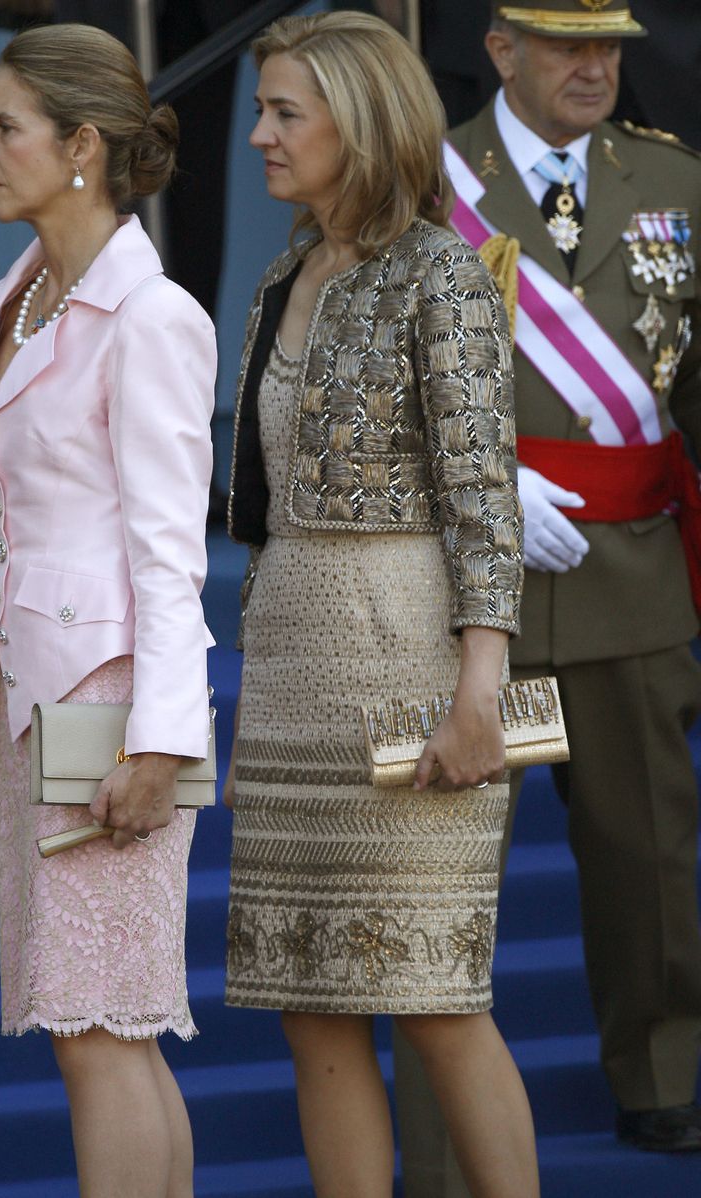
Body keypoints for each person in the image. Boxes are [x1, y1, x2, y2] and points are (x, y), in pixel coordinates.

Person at [223, 12, 537, 1197]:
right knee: (310, 1008)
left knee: (436, 997)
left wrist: (479, 698)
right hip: (293, 674)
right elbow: (264, 511)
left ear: (358, 125)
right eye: (260, 109)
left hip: (408, 669)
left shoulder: (440, 272)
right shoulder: (279, 275)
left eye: (284, 113)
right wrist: (251, 696)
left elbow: (484, 499)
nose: (258, 135)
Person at [0, 23, 216, 1197]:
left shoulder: (151, 319)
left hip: (108, 713)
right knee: (102, 1028)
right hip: (21, 711)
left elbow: (168, 556)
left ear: (82, 145)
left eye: (5, 127)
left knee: (100, 1025)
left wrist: (161, 743)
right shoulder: (9, 305)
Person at [423, 0, 701, 1176]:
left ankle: (663, 1075)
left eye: (610, 47)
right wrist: (475, 488)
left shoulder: (672, 179)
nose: (595, 67)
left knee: (647, 857)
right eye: (567, 45)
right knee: (443, 875)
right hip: (464, 589)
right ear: (500, 50)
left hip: (629, 579)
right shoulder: (420, 175)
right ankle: (442, 1133)